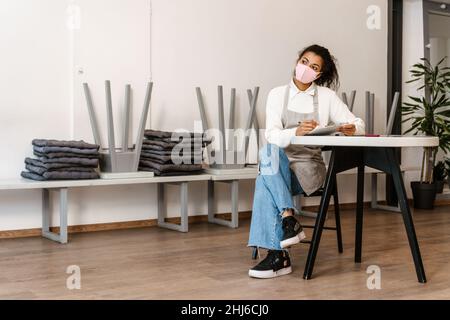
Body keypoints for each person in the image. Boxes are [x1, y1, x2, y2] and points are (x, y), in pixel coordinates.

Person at [248, 44, 365, 279]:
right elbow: (271, 135)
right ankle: (288, 219)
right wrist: (296, 132)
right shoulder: (277, 94)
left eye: (313, 67)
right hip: (279, 168)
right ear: (296, 61)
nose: (306, 69)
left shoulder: (326, 97)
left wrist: (352, 128)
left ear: (319, 74)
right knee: (270, 153)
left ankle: (278, 253)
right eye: (304, 61)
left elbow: (360, 124)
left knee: (265, 179)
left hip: (309, 169)